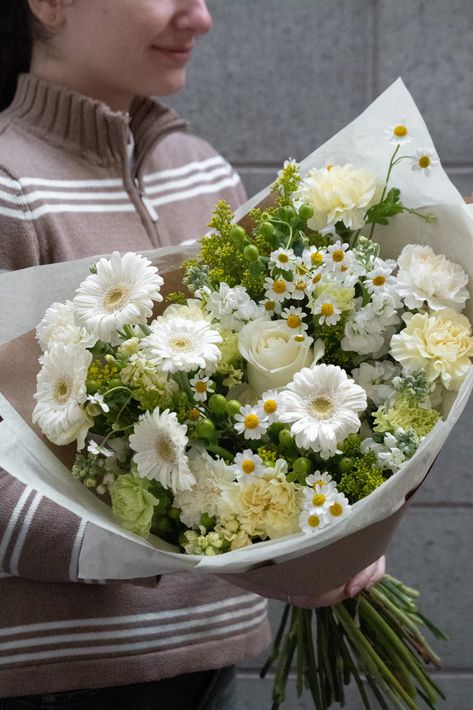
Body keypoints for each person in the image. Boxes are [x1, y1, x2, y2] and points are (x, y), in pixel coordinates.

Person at [0, 1, 385, 707]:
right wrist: (208, 549)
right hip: (64, 678)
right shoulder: (8, 184)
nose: (199, 17)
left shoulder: (201, 173)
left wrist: (333, 524)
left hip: (212, 659)